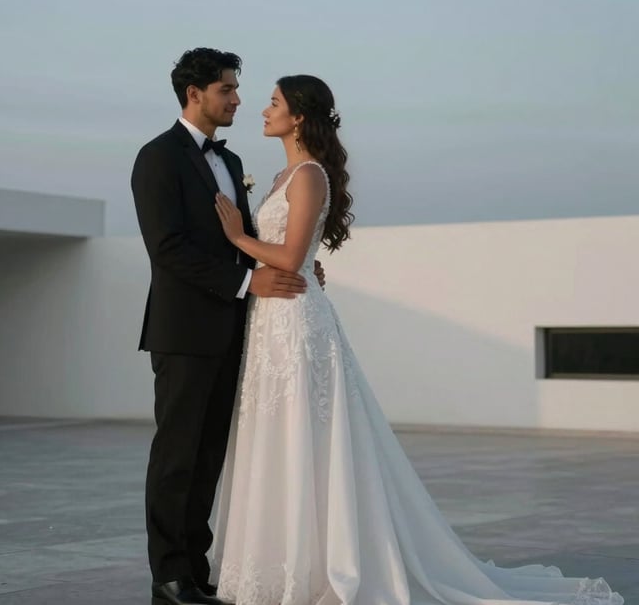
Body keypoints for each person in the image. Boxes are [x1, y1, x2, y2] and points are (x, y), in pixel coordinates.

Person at [210, 74, 623, 605]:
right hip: (271, 316)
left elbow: (290, 259)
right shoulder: (280, 175)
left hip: (295, 322)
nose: (262, 111)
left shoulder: (308, 175)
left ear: (299, 116)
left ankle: (322, 567)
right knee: (276, 435)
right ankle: (281, 564)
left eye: (273, 103)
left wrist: (236, 237)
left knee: (306, 438)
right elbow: (298, 255)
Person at [132, 49, 319, 605]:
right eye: (228, 89)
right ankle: (167, 574)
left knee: (210, 453)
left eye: (237, 90)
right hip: (184, 332)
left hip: (237, 331)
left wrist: (285, 265)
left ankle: (193, 567)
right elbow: (166, 249)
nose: (238, 99)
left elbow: (245, 237)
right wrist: (246, 283)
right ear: (195, 94)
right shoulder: (157, 157)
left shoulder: (233, 164)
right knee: (177, 455)